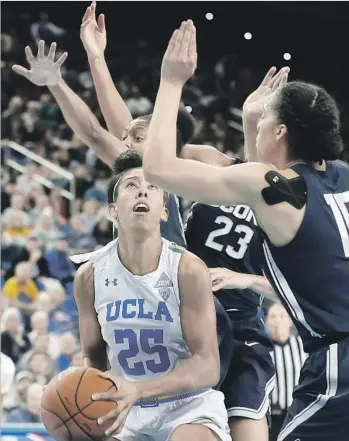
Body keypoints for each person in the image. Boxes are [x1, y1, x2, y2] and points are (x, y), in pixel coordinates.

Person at [142, 20, 349, 441]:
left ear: (281, 132)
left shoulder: (277, 187)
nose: (255, 123)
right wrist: (252, 119)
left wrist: (171, 81)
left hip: (339, 361)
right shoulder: (338, 177)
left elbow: (158, 168)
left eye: (264, 119)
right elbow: (271, 211)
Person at [73, 155, 230, 441]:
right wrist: (87, 401)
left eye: (153, 187)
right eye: (131, 185)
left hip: (188, 405)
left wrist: (139, 390)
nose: (142, 191)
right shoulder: (88, 277)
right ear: (113, 210)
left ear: (164, 212)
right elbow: (93, 356)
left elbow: (208, 365)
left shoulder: (188, 269)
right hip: (126, 411)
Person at [266, 303, 307, 441]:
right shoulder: (263, 349)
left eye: (282, 316)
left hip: (297, 411)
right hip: (273, 415)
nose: (277, 320)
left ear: (290, 321)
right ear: (267, 322)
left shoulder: (302, 346)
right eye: (273, 316)